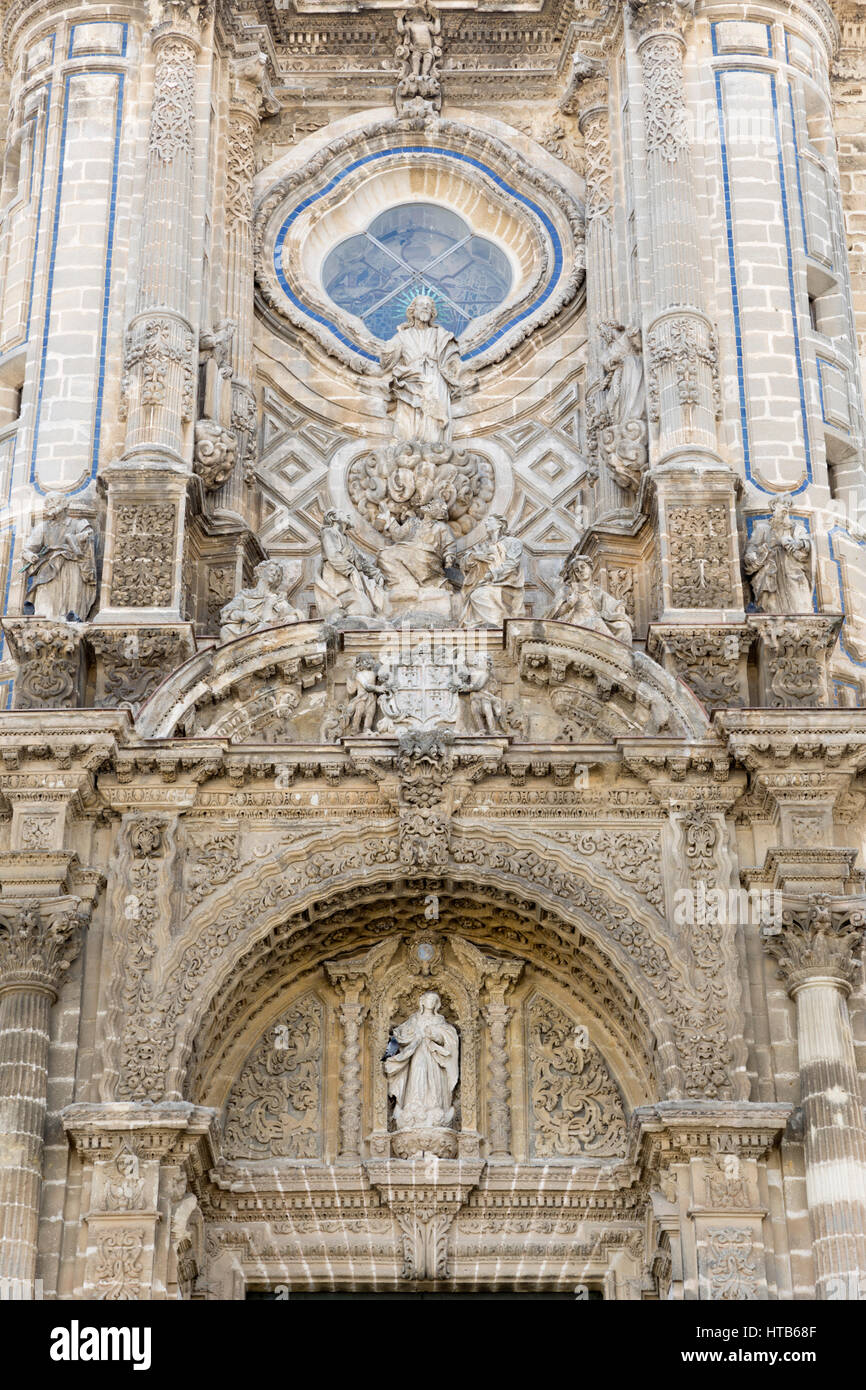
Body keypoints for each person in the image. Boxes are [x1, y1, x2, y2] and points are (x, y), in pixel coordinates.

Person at [380, 296, 463, 446]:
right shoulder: (402, 336)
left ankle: (434, 445)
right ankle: (409, 444)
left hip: (435, 376)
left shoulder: (441, 335)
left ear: (432, 313)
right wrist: (391, 345)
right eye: (421, 305)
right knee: (411, 414)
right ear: (413, 311)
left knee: (433, 418)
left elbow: (452, 360)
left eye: (428, 306)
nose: (425, 308)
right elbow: (386, 362)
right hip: (411, 379)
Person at [384, 991, 459, 1132]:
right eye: (428, 999)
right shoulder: (414, 1019)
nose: (430, 1002)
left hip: (434, 1056)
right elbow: (398, 1035)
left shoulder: (440, 1021)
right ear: (422, 1002)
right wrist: (390, 1052)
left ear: (437, 1004)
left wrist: (437, 1036)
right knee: (417, 1077)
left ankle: (434, 1107)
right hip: (417, 1052)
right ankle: (414, 1105)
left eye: (434, 1000)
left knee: (435, 1081)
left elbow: (450, 1038)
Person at [21, 492, 97, 621]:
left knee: (70, 601)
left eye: (54, 502)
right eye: (48, 503)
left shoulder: (78, 524)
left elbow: (88, 540)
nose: (50, 505)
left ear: (64, 504)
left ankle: (70, 620)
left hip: (71, 567)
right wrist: (30, 556)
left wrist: (75, 539)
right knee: (46, 604)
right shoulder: (43, 527)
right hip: (49, 568)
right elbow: (27, 549)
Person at [743, 495, 813, 614]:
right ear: (774, 507)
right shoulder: (763, 529)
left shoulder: (797, 530)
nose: (785, 506)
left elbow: (808, 545)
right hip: (770, 573)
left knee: (799, 605)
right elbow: (750, 552)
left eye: (788, 505)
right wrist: (760, 554)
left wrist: (797, 544)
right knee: (771, 605)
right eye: (782, 503)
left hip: (792, 573)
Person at [460, 515, 524, 626]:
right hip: (486, 583)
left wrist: (492, 574)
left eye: (489, 521)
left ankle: (498, 623)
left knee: (479, 594)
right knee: (477, 593)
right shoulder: (483, 546)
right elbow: (464, 563)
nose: (486, 524)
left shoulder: (513, 542)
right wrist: (475, 556)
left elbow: (512, 563)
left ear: (500, 524)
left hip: (507, 583)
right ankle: (495, 624)